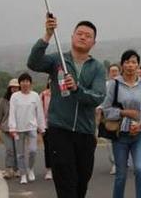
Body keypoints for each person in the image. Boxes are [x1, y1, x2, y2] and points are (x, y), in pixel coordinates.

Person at [27, 15, 106, 198]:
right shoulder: (57, 61)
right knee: (65, 184)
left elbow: (98, 96)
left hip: (85, 133)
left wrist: (77, 89)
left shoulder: (97, 68)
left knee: (81, 184)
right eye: (79, 33)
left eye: (88, 35)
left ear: (93, 42)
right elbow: (33, 62)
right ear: (72, 37)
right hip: (60, 131)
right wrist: (47, 35)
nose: (83, 37)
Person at [101, 50, 141, 198]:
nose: (131, 65)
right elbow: (106, 110)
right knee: (121, 175)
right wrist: (124, 113)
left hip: (139, 135)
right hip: (119, 136)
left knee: (140, 169)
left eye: (134, 62)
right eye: (127, 62)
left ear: (138, 65)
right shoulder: (114, 84)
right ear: (122, 64)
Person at [9, 72, 46, 184]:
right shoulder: (15, 96)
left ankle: (30, 169)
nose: (25, 83)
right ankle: (23, 174)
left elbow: (39, 112)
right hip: (19, 128)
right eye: (23, 81)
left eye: (27, 81)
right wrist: (12, 127)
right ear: (20, 83)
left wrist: (42, 127)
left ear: (30, 83)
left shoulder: (35, 95)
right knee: (20, 154)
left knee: (33, 151)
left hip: (31, 127)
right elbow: (12, 112)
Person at [0, 78, 20, 179]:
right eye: (12, 87)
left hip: (18, 129)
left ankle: (17, 169)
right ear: (9, 88)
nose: (14, 89)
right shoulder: (4, 101)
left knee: (18, 149)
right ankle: (9, 169)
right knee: (9, 149)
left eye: (16, 87)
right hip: (6, 129)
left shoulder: (22, 99)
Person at [98, 63, 122, 175]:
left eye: (116, 71)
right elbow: (101, 101)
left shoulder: (124, 85)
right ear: (109, 73)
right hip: (109, 118)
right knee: (110, 143)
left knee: (123, 140)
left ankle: (123, 162)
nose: (114, 73)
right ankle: (114, 164)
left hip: (123, 117)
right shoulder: (105, 86)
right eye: (112, 71)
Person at [40, 80, 53, 180]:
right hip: (47, 125)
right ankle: (49, 169)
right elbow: (39, 111)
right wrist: (41, 126)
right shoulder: (43, 95)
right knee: (48, 148)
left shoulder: (63, 93)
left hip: (60, 125)